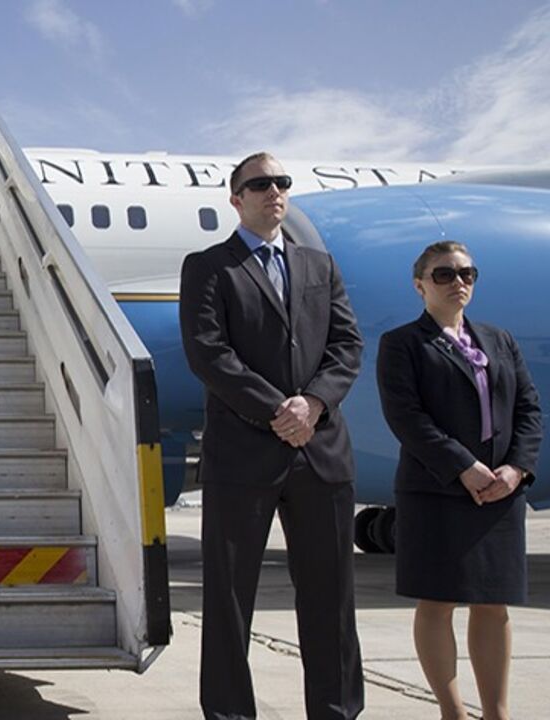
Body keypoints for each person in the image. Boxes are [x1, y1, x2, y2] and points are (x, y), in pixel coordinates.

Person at [179, 152, 365, 719]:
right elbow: (209, 353)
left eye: (281, 183)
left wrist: (311, 405)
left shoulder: (319, 266)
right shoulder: (209, 267)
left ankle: (336, 712)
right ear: (236, 199)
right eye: (259, 184)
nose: (274, 191)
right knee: (231, 602)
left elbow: (347, 347)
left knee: (331, 601)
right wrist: (276, 410)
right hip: (244, 455)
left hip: (320, 452)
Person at [376, 241, 541, 720]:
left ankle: (496, 712)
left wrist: (516, 468)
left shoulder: (500, 340)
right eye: (444, 274)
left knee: (494, 604)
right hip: (438, 488)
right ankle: (452, 712)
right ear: (420, 284)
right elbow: (407, 417)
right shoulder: (403, 343)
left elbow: (529, 410)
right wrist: (462, 466)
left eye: (467, 273)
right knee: (439, 601)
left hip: (500, 491)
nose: (458, 282)